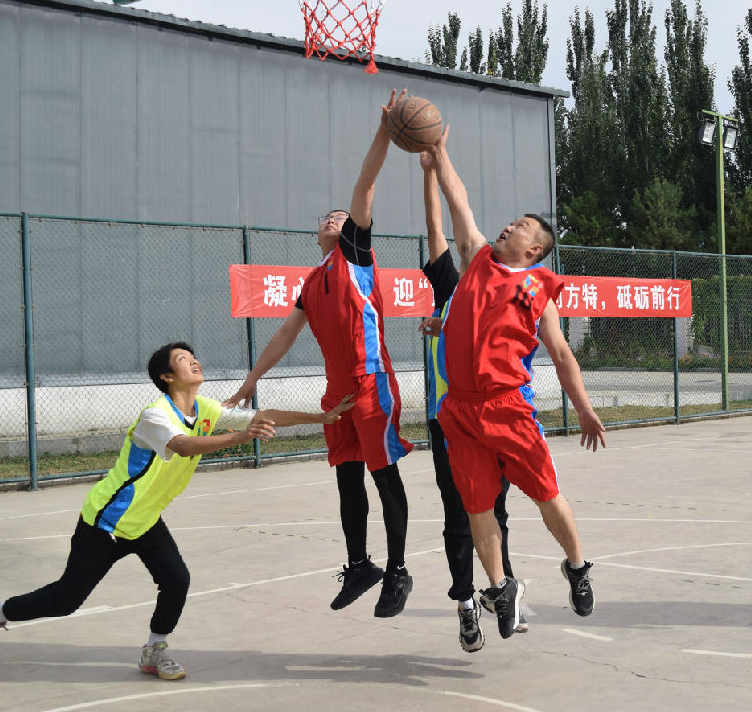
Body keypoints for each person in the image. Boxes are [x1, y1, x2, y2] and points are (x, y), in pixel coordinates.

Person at [0, 341, 351, 679]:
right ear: (167, 377)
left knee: (176, 579)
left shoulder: (205, 408)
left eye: (193, 356)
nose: (194, 361)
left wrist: (321, 417)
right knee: (65, 600)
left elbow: (263, 415)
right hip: (108, 521)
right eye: (183, 359)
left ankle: (154, 650)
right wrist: (240, 437)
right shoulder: (155, 416)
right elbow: (183, 445)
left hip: (145, 521)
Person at [224, 90, 414, 618]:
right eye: (326, 218)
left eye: (341, 216)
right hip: (337, 391)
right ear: (316, 235)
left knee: (383, 476)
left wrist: (384, 133)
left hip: (370, 380)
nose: (334, 219)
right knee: (346, 477)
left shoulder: (355, 254)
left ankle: (398, 570)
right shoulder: (312, 282)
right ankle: (360, 565)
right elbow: (285, 335)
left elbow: (364, 184)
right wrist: (251, 380)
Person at [425, 126, 607, 641]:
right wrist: (439, 152)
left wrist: (584, 407)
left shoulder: (536, 292)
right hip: (460, 410)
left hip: (508, 408)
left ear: (536, 248)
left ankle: (577, 567)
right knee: (478, 507)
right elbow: (458, 200)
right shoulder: (477, 258)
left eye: (522, 226)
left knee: (547, 495)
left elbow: (562, 355)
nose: (510, 226)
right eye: (513, 221)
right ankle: (500, 587)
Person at [418, 154, 526, 653]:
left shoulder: (507, 294)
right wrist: (428, 174)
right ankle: (465, 603)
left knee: (494, 508)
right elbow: (436, 228)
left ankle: (501, 590)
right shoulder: (452, 283)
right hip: (448, 418)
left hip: (493, 416)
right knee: (457, 515)